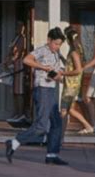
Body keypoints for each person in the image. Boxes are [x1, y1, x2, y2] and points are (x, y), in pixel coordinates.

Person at [5, 27, 67, 165]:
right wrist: (43, 68)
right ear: (49, 40)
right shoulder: (42, 50)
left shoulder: (56, 53)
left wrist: (58, 74)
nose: (57, 47)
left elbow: (58, 69)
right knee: (41, 127)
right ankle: (14, 142)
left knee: (57, 123)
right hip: (43, 90)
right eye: (55, 43)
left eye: (59, 44)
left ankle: (52, 154)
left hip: (51, 90)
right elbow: (27, 60)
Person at [61, 27, 93, 135]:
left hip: (71, 85)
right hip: (72, 83)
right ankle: (61, 132)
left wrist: (63, 73)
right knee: (67, 109)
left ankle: (60, 132)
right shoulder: (76, 50)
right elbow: (71, 65)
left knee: (66, 109)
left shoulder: (74, 52)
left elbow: (78, 69)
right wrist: (61, 58)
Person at [5, 21, 28, 123]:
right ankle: (16, 113)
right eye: (17, 26)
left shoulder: (23, 38)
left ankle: (21, 113)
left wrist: (11, 60)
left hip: (19, 66)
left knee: (19, 91)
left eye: (20, 26)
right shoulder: (16, 38)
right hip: (13, 66)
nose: (18, 28)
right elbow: (11, 51)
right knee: (14, 91)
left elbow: (18, 53)